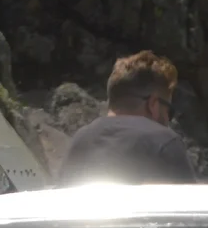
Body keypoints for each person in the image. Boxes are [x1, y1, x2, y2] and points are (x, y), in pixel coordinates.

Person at [59, 51, 196, 184]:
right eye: (168, 111)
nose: (167, 118)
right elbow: (190, 206)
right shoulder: (165, 143)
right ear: (153, 104)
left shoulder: (80, 141)